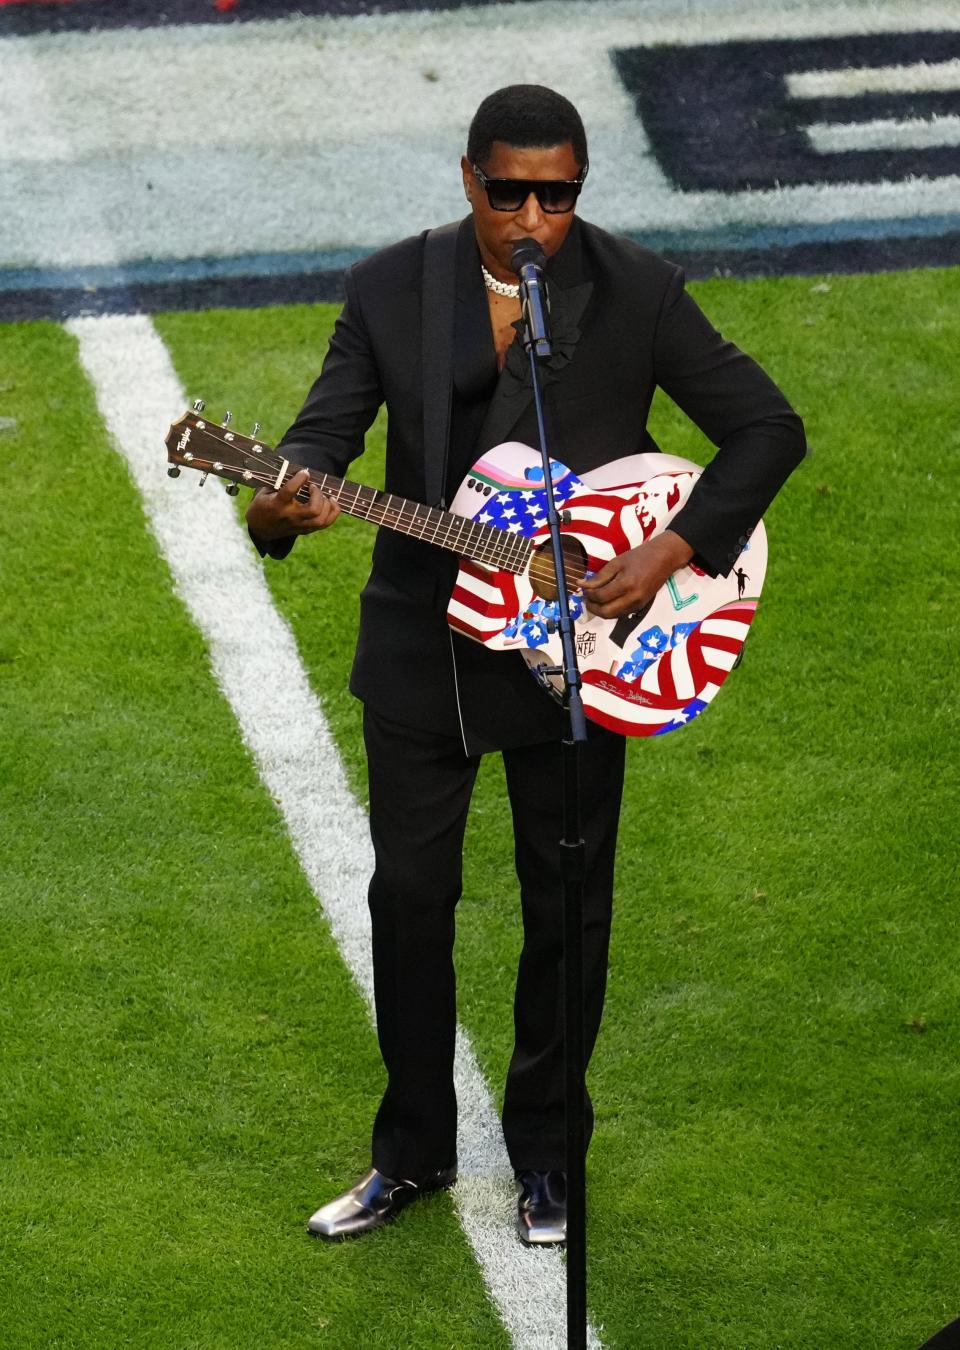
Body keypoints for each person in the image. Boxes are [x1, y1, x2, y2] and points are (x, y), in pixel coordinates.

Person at [246, 85, 805, 1244]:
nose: (533, 218)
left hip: (578, 650)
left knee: (567, 907)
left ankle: (548, 1161)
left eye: (559, 194)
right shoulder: (391, 286)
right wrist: (282, 505)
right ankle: (409, 1158)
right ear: (470, 181)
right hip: (420, 645)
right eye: (511, 193)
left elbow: (768, 429)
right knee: (408, 902)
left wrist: (667, 550)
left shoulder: (637, 289)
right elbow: (320, 439)